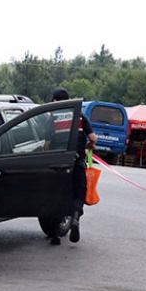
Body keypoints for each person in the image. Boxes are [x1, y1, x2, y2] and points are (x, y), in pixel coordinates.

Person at [49, 87, 97, 245]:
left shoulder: (53, 117)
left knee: (56, 197)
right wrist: (90, 145)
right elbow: (93, 137)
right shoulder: (80, 116)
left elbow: (47, 142)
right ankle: (75, 218)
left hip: (59, 164)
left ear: (55, 101)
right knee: (78, 194)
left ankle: (55, 235)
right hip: (77, 162)